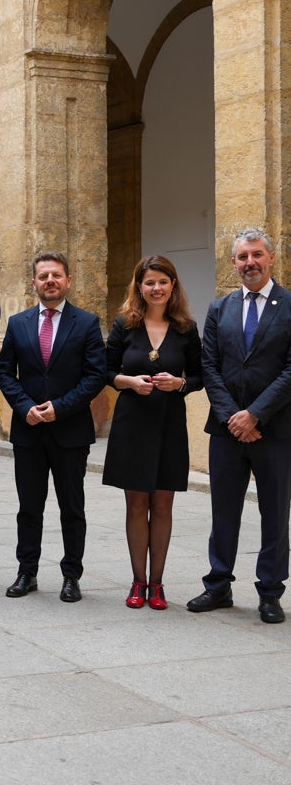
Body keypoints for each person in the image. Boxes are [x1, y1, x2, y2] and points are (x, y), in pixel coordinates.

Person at [189, 228, 291, 624]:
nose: (250, 262)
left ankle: (269, 591)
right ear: (233, 263)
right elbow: (209, 367)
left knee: (275, 513)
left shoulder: (289, 305)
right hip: (227, 430)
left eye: (257, 255)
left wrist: (256, 414)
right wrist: (235, 417)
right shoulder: (220, 308)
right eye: (243, 257)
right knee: (224, 511)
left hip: (275, 430)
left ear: (271, 259)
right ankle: (218, 585)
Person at [0, 251, 106, 602]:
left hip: (70, 431)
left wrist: (60, 408)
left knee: (71, 507)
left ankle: (71, 575)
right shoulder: (19, 323)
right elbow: (4, 372)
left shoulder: (87, 323)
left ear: (68, 281)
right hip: (28, 431)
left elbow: (95, 376)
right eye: (43, 276)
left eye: (56, 275)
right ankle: (26, 572)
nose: (50, 281)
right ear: (34, 283)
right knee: (29, 507)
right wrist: (25, 407)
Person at [102, 256, 202, 610]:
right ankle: (137, 581)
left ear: (172, 285)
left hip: (169, 424)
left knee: (162, 504)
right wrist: (129, 382)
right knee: (136, 503)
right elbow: (105, 370)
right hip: (132, 423)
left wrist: (180, 383)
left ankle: (157, 584)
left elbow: (200, 375)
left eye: (163, 281)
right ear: (139, 287)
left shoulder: (186, 328)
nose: (156, 288)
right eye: (149, 282)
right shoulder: (124, 326)